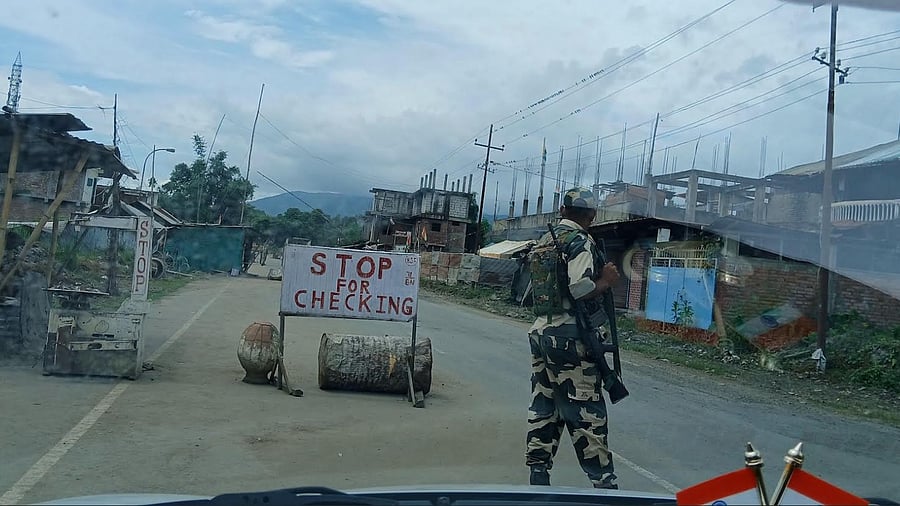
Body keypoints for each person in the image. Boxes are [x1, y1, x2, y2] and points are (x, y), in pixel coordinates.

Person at [525, 187, 621, 489]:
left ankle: (538, 474)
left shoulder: (544, 242)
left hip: (542, 330)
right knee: (586, 410)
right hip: (569, 336)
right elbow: (580, 287)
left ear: (563, 211)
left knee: (546, 403)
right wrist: (605, 281)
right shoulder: (579, 242)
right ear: (591, 215)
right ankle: (604, 485)